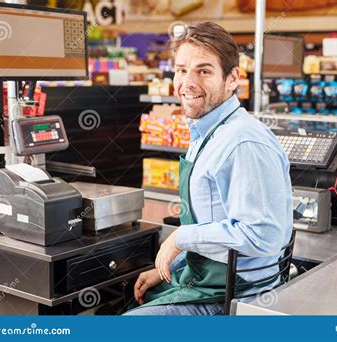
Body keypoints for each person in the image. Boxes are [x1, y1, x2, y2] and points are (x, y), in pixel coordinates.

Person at [124, 22, 292, 316]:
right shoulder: (206, 130)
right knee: (129, 295)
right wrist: (170, 268)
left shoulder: (242, 141)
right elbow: (215, 225)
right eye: (181, 70)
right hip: (205, 280)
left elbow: (265, 233)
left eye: (203, 71)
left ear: (232, 79)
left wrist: (179, 239)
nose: (187, 82)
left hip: (234, 295)